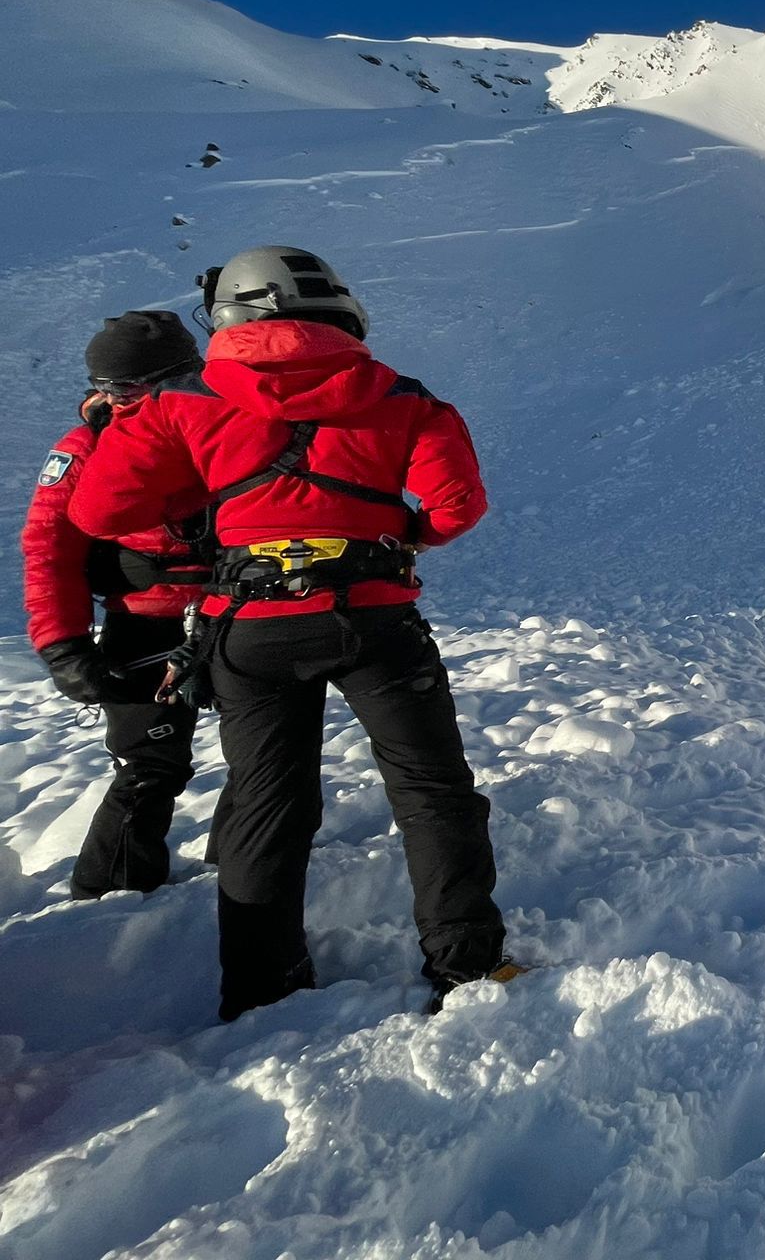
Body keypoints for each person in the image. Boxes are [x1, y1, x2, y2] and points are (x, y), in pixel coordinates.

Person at [68, 246, 508, 1019]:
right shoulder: (404, 396)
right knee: (432, 791)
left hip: (250, 627)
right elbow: (456, 506)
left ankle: (262, 993)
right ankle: (467, 967)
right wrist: (398, 531)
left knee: (269, 803)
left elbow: (98, 513)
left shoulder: (181, 402)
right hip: (374, 616)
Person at [22, 312, 213, 898]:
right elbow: (48, 549)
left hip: (238, 615)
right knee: (150, 765)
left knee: (271, 755)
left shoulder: (227, 429)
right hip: (144, 625)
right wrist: (63, 645)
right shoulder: (85, 449)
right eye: (105, 386)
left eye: (127, 387)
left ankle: (250, 866)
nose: (112, 398)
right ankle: (111, 900)